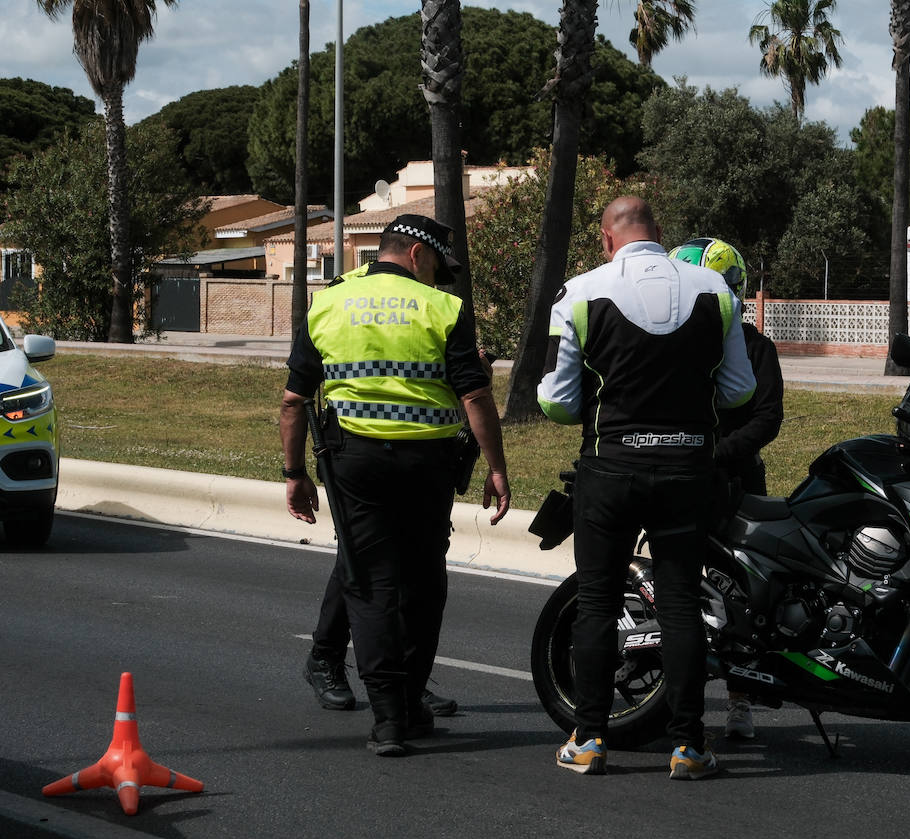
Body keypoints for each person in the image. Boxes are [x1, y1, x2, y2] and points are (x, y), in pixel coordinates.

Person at [538, 197, 755, 780]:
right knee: (682, 603)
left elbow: (557, 403)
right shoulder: (715, 290)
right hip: (689, 468)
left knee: (598, 602)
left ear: (607, 239)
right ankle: (688, 747)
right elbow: (738, 392)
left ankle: (589, 740)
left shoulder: (581, 292)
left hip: (611, 469)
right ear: (660, 234)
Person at [280, 213, 511, 757]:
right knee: (423, 581)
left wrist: (294, 475)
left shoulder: (329, 303)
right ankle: (408, 700)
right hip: (426, 467)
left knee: (369, 584)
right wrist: (497, 467)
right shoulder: (444, 309)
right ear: (415, 254)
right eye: (436, 266)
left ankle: (389, 720)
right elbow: (475, 397)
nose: (438, 279)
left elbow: (293, 401)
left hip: (353, 463)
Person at [668, 238, 784, 741]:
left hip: (734, 482)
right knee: (676, 588)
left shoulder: (756, 347)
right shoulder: (669, 344)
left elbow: (766, 418)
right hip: (675, 475)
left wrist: (716, 454)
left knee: (744, 593)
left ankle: (740, 701)